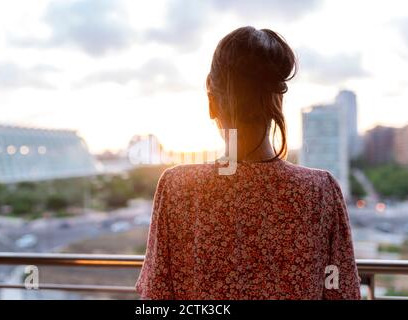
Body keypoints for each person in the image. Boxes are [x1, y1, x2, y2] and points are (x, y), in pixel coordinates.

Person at [136, 26, 361, 300]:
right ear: (277, 101)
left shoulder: (177, 189)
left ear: (212, 104)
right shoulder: (321, 191)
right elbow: (337, 290)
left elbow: (156, 297)